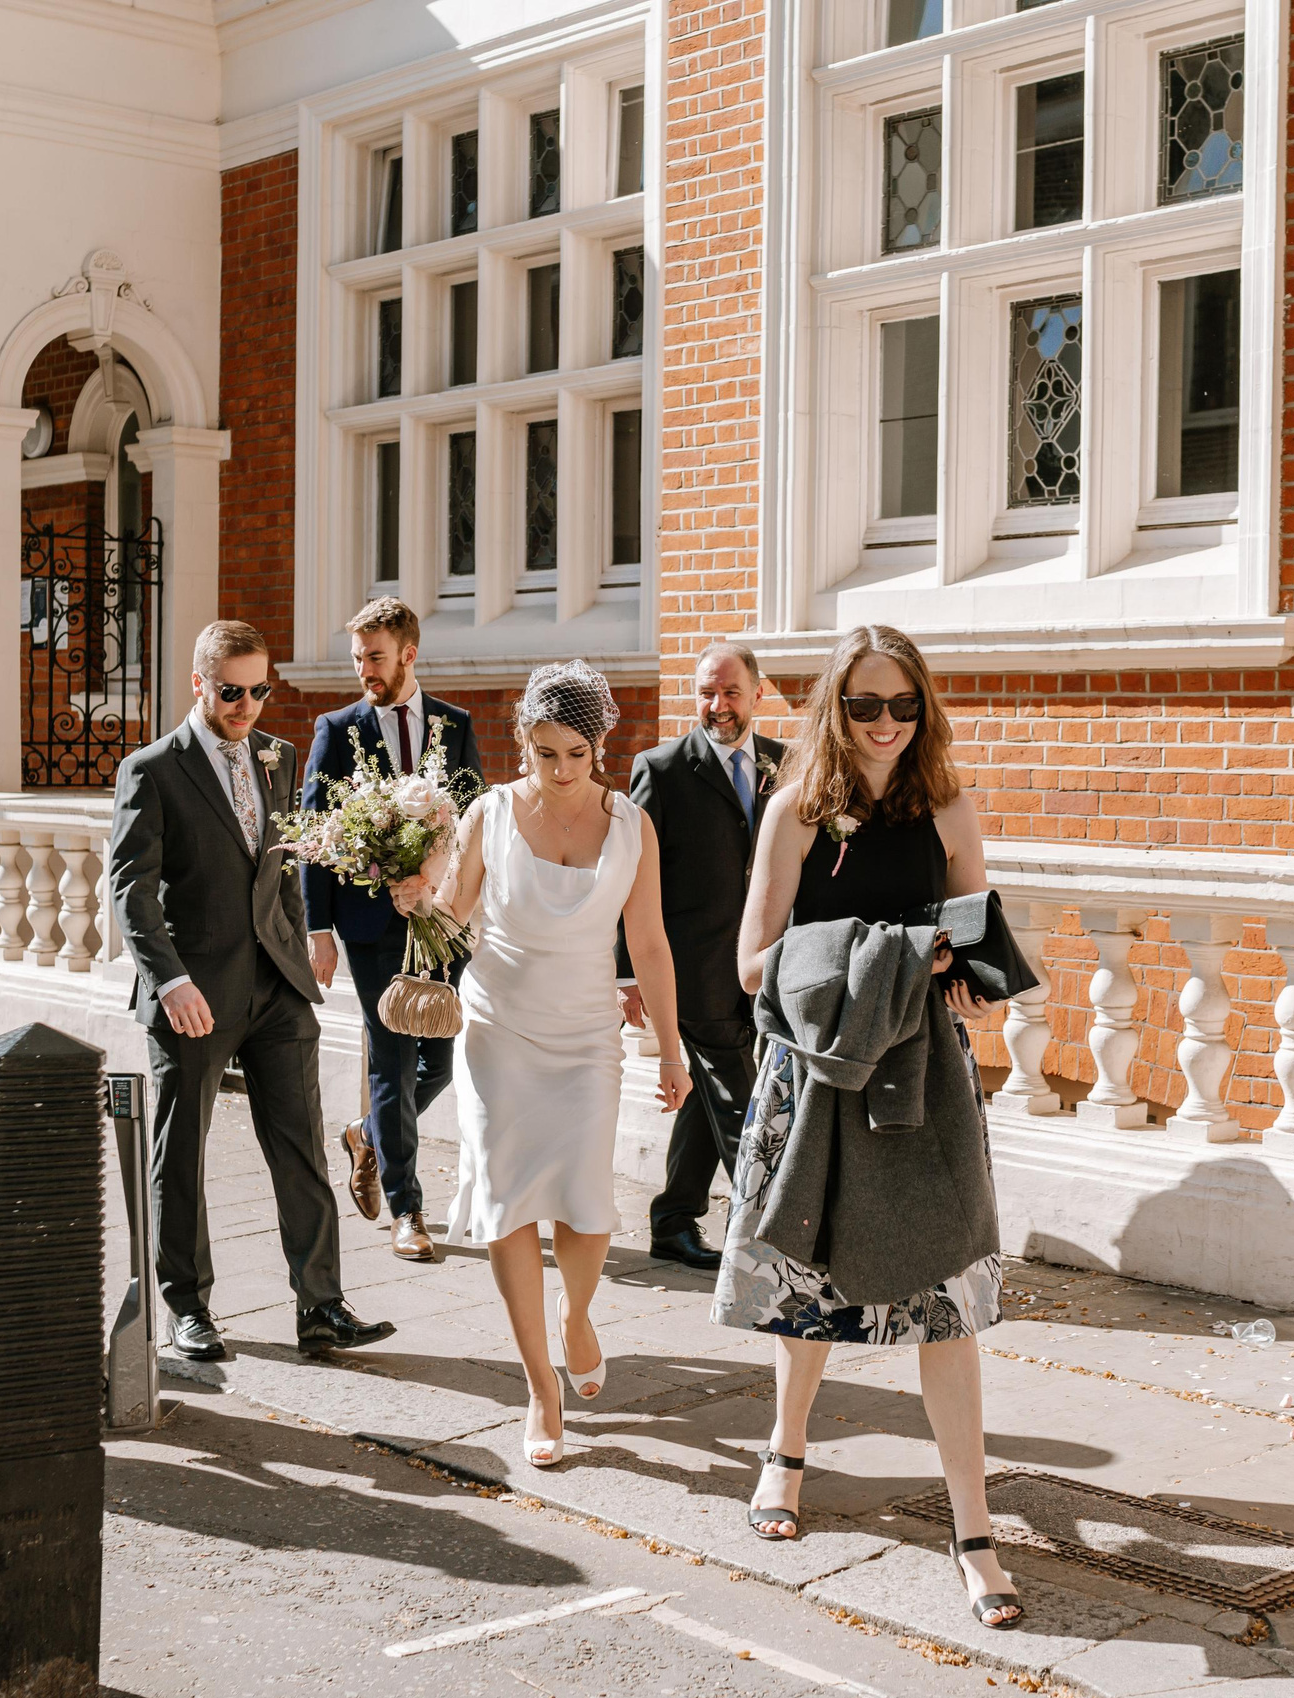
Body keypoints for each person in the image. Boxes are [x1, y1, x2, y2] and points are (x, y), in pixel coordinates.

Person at [720, 623, 1021, 1632]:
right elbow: (753, 965)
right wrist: (895, 950)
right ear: (832, 711)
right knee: (808, 1283)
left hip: (926, 1078)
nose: (886, 723)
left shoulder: (946, 805)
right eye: (864, 705)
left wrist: (986, 995)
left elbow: (977, 940)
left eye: (903, 705)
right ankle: (784, 1450)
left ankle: (973, 1528)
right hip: (815, 1078)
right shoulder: (796, 810)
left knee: (948, 1298)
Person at [391, 660, 688, 1466]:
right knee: (506, 1201)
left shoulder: (633, 827)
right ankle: (539, 1388)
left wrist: (671, 1045)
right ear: (522, 741)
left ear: (603, 749)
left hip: (588, 1035)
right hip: (498, 1032)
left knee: (586, 1206)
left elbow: (651, 944)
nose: (559, 772)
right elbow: (453, 920)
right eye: (544, 753)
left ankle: (577, 1318)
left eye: (576, 756)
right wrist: (418, 903)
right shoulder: (489, 814)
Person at [111, 620, 394, 1363]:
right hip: (194, 992)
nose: (247, 706)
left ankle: (321, 1304)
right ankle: (187, 1307)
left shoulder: (278, 755)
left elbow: (284, 865)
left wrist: (301, 952)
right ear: (198, 683)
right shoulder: (152, 769)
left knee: (301, 1148)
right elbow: (130, 888)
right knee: (183, 1152)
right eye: (232, 691)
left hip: (278, 988)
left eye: (259, 690)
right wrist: (167, 979)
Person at [302, 596, 483, 1262]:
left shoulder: (454, 725)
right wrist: (317, 929)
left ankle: (367, 1135)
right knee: (393, 1054)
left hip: (440, 918)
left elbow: (473, 824)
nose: (364, 672)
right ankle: (409, 1210)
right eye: (357, 659)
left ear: (409, 654)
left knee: (441, 1048)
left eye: (375, 658)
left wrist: (436, 882)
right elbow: (320, 836)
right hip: (369, 922)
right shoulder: (336, 728)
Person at [616, 642, 785, 1272]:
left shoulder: (783, 765)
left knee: (711, 1097)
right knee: (740, 1099)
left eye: (731, 692)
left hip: (762, 964)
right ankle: (775, 1232)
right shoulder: (660, 768)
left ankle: (673, 1220)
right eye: (706, 693)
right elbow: (628, 878)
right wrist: (626, 971)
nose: (717, 706)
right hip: (690, 966)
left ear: (758, 694)